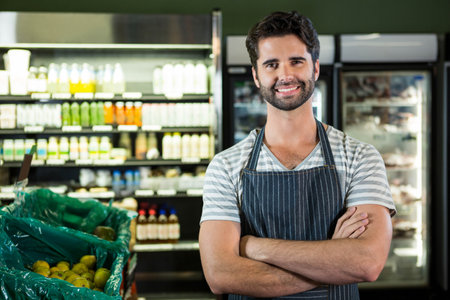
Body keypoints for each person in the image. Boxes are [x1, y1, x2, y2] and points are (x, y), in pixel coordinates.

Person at [199, 11, 396, 300]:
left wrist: (255, 247)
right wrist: (333, 261)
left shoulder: (359, 157)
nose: (285, 75)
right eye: (271, 64)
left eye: (296, 61)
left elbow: (366, 263)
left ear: (315, 68)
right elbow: (220, 274)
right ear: (256, 75)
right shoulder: (226, 166)